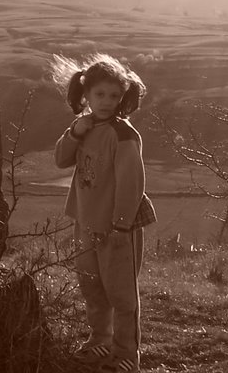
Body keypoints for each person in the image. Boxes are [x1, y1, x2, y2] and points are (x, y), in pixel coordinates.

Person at [52, 53, 155, 373]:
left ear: (123, 96)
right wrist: (75, 131)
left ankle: (126, 354)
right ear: (86, 95)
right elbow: (60, 160)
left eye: (114, 95)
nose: (107, 101)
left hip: (116, 228)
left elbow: (131, 183)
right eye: (100, 94)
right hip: (85, 223)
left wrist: (121, 226)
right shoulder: (85, 127)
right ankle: (100, 340)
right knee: (92, 287)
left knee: (122, 294)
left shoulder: (124, 134)